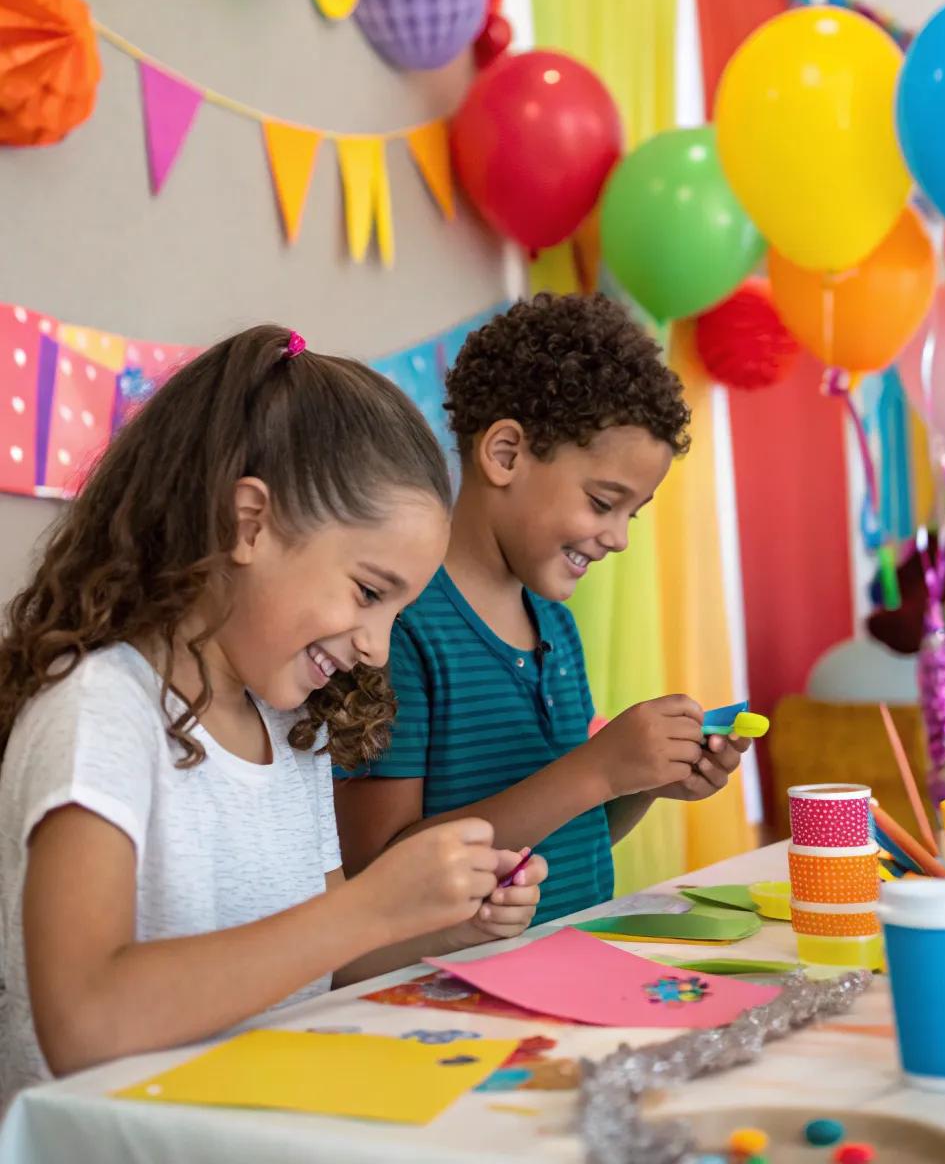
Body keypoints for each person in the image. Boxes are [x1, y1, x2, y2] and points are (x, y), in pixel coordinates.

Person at [0, 326, 546, 1106]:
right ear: (247, 523)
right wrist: (367, 906)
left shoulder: (295, 732)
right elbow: (84, 1022)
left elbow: (317, 959)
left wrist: (442, 921)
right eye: (368, 593)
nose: (377, 648)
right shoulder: (100, 712)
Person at [336, 294, 748, 923]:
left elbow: (561, 838)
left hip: (564, 968)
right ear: (505, 455)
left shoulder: (555, 626)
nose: (618, 537)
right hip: (444, 993)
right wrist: (597, 771)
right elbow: (379, 870)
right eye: (602, 501)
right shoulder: (401, 627)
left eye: (630, 514)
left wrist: (639, 782)